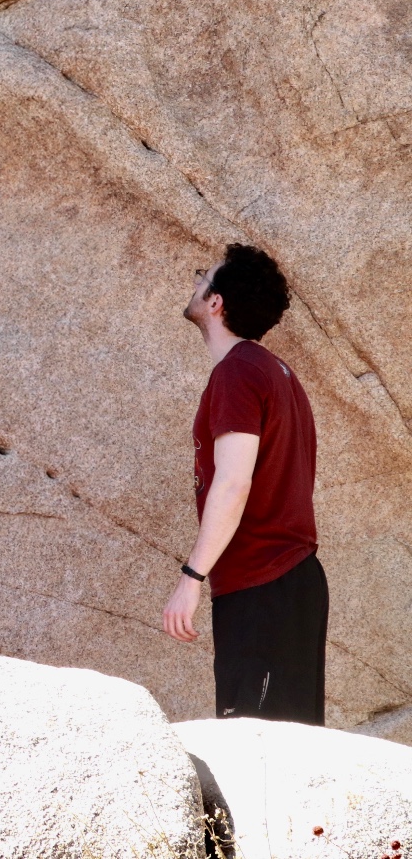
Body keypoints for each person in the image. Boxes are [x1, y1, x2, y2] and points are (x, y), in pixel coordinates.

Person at [162, 245, 327, 724]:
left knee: (258, 752)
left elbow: (233, 484)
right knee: (290, 747)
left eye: (203, 277)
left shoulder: (238, 371)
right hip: (285, 583)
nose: (196, 283)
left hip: (265, 587)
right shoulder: (276, 372)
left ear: (216, 303)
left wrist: (190, 579)